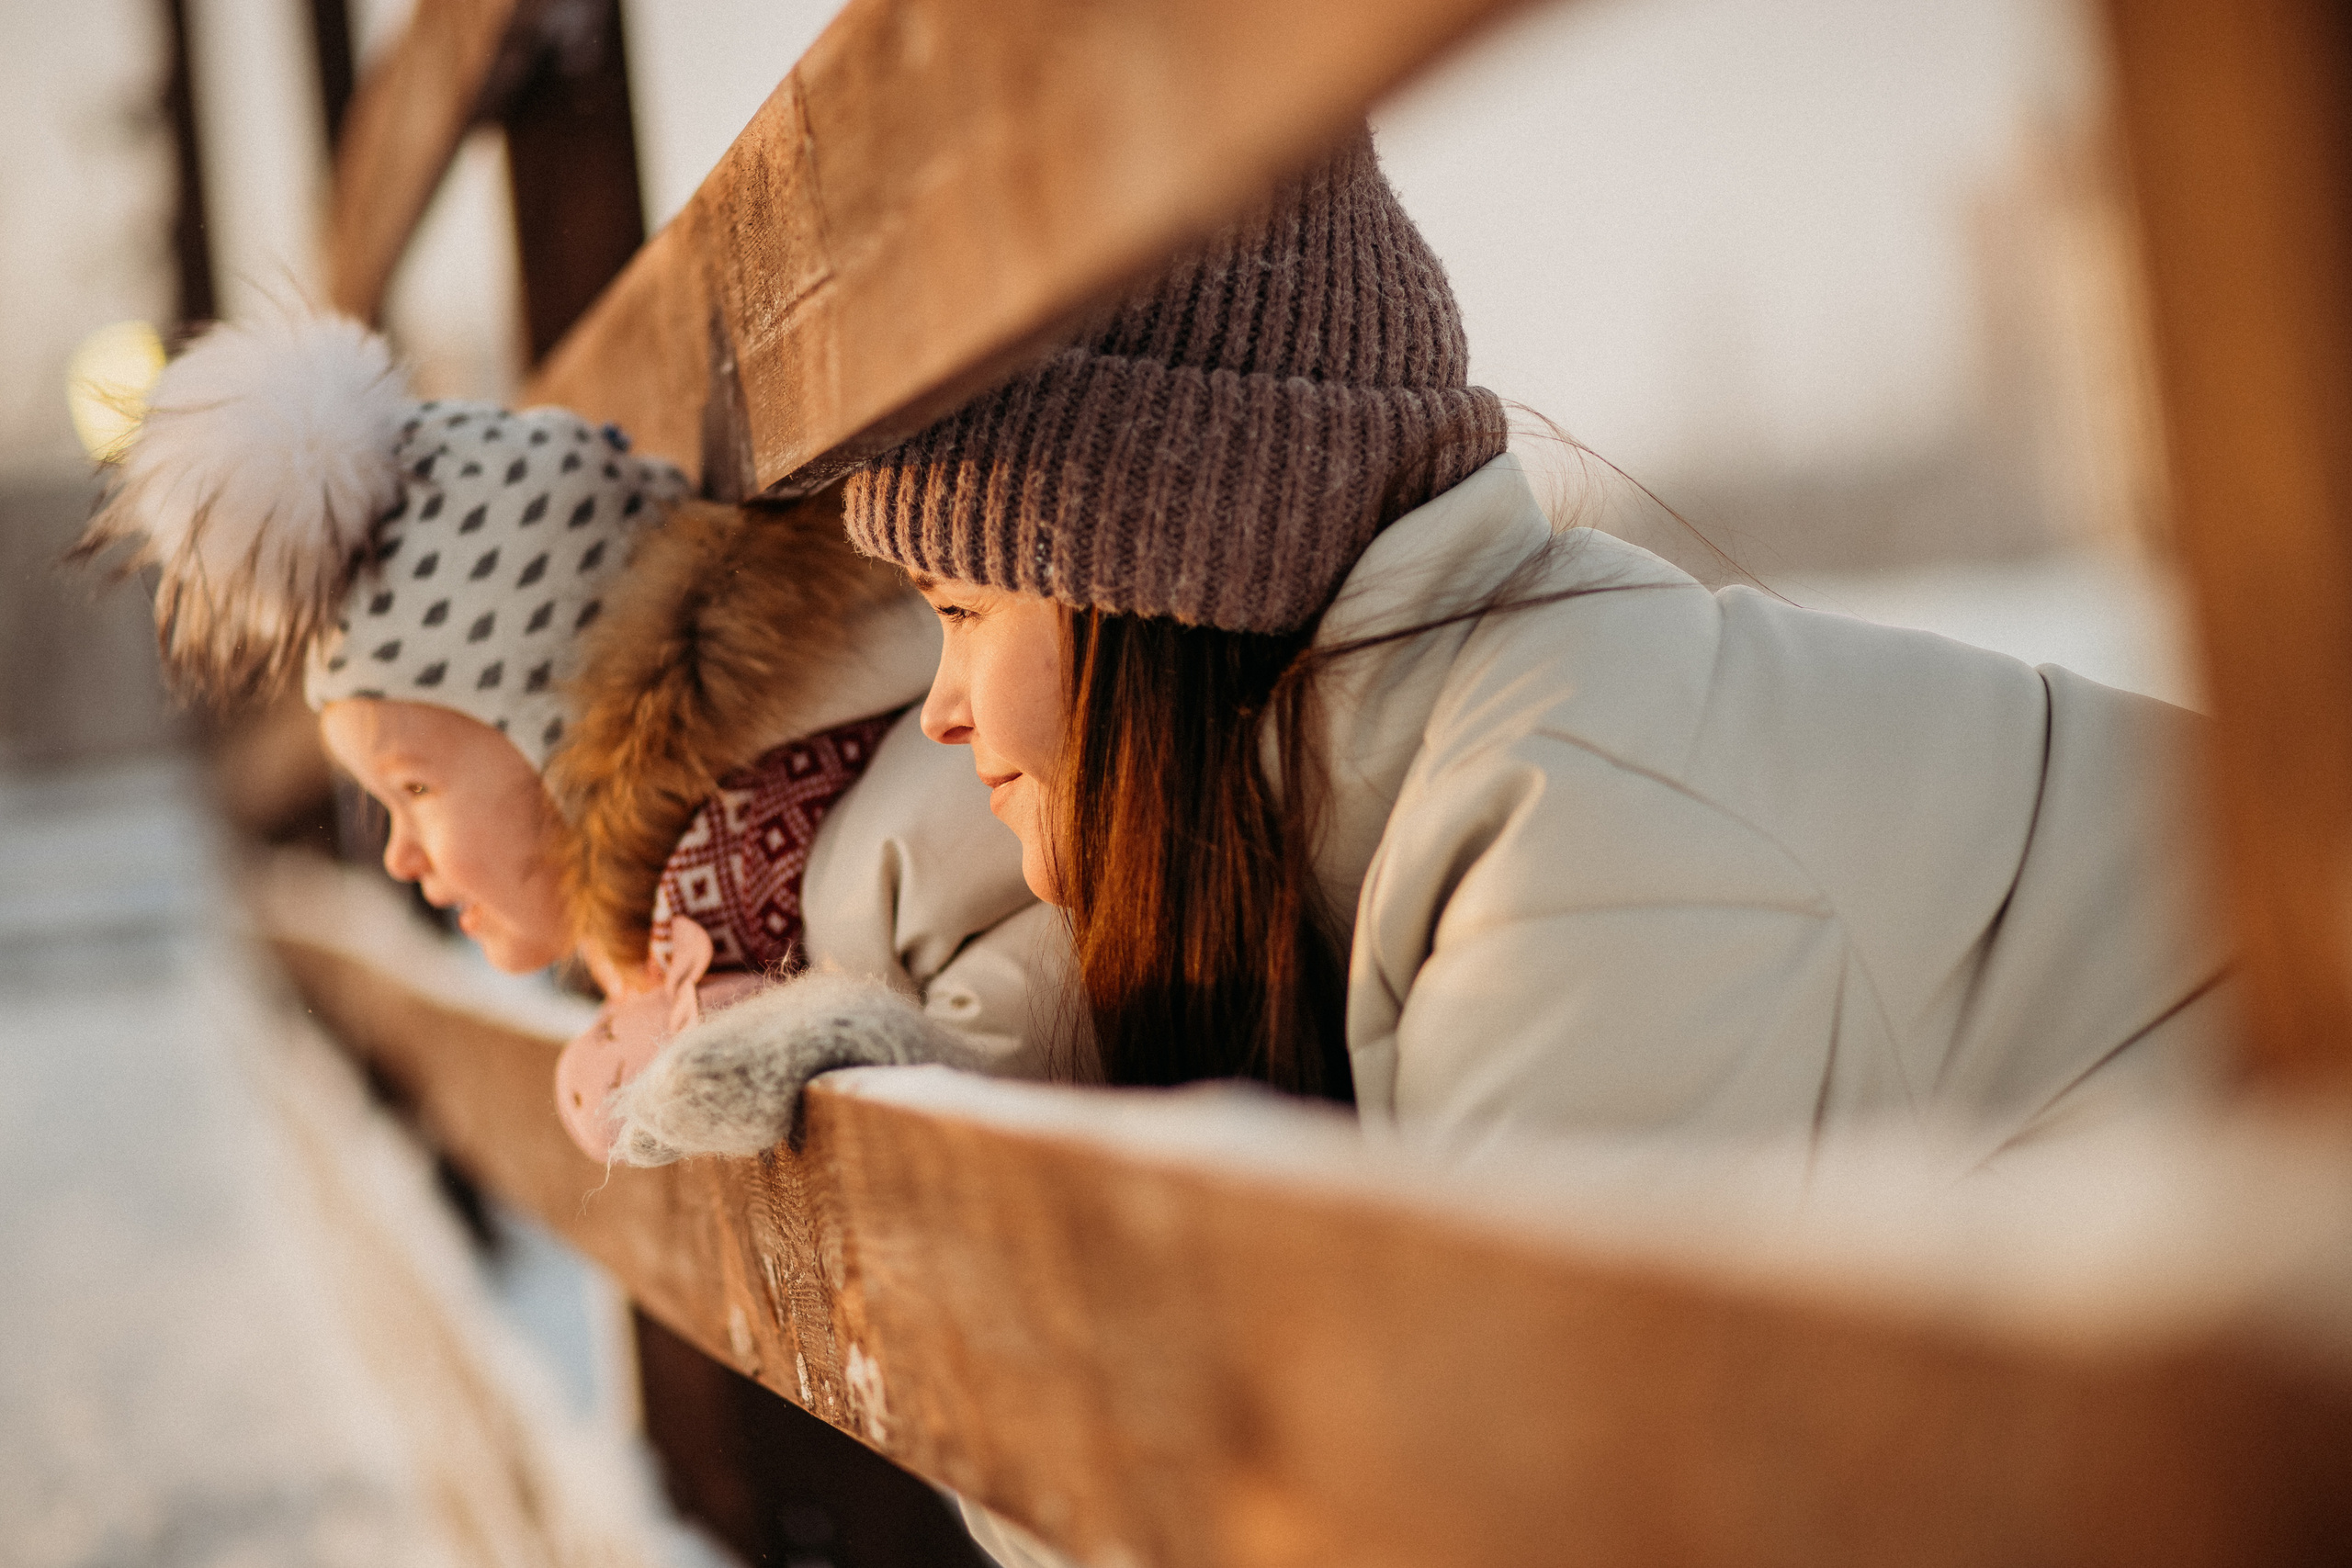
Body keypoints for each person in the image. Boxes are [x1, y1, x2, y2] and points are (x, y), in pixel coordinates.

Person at [820, 124, 2229, 1164]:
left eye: (962, 610)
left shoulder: (1573, 834)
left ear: (1161, 569)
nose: (941, 711)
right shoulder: (1410, 805)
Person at [78, 310, 1075, 1162]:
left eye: (415, 788)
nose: (399, 855)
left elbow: (1046, 1019)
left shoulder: (901, 825)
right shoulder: (719, 908)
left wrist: (804, 1045)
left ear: (565, 742)